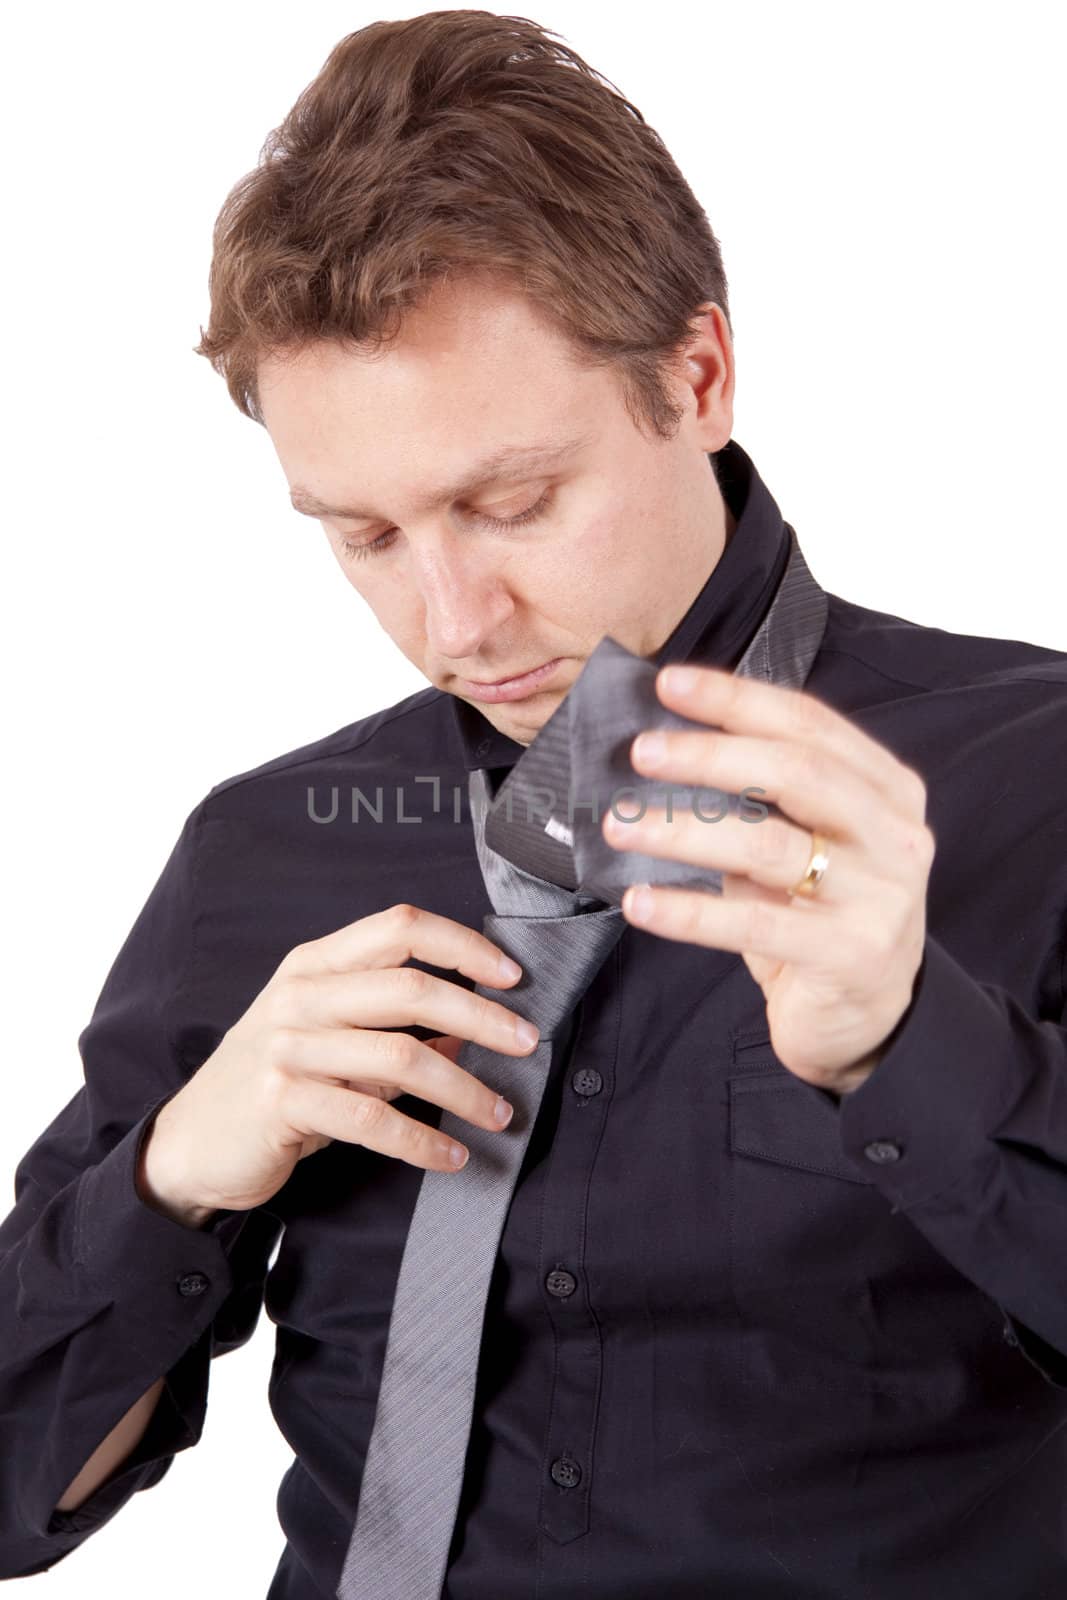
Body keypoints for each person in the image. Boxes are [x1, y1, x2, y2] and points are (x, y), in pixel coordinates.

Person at [2, 10, 1066, 1597]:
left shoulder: (1037, 779)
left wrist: (911, 1045)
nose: (452, 623)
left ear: (696, 376)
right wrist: (175, 1177)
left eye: (511, 504)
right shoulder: (264, 850)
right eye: (360, 534)